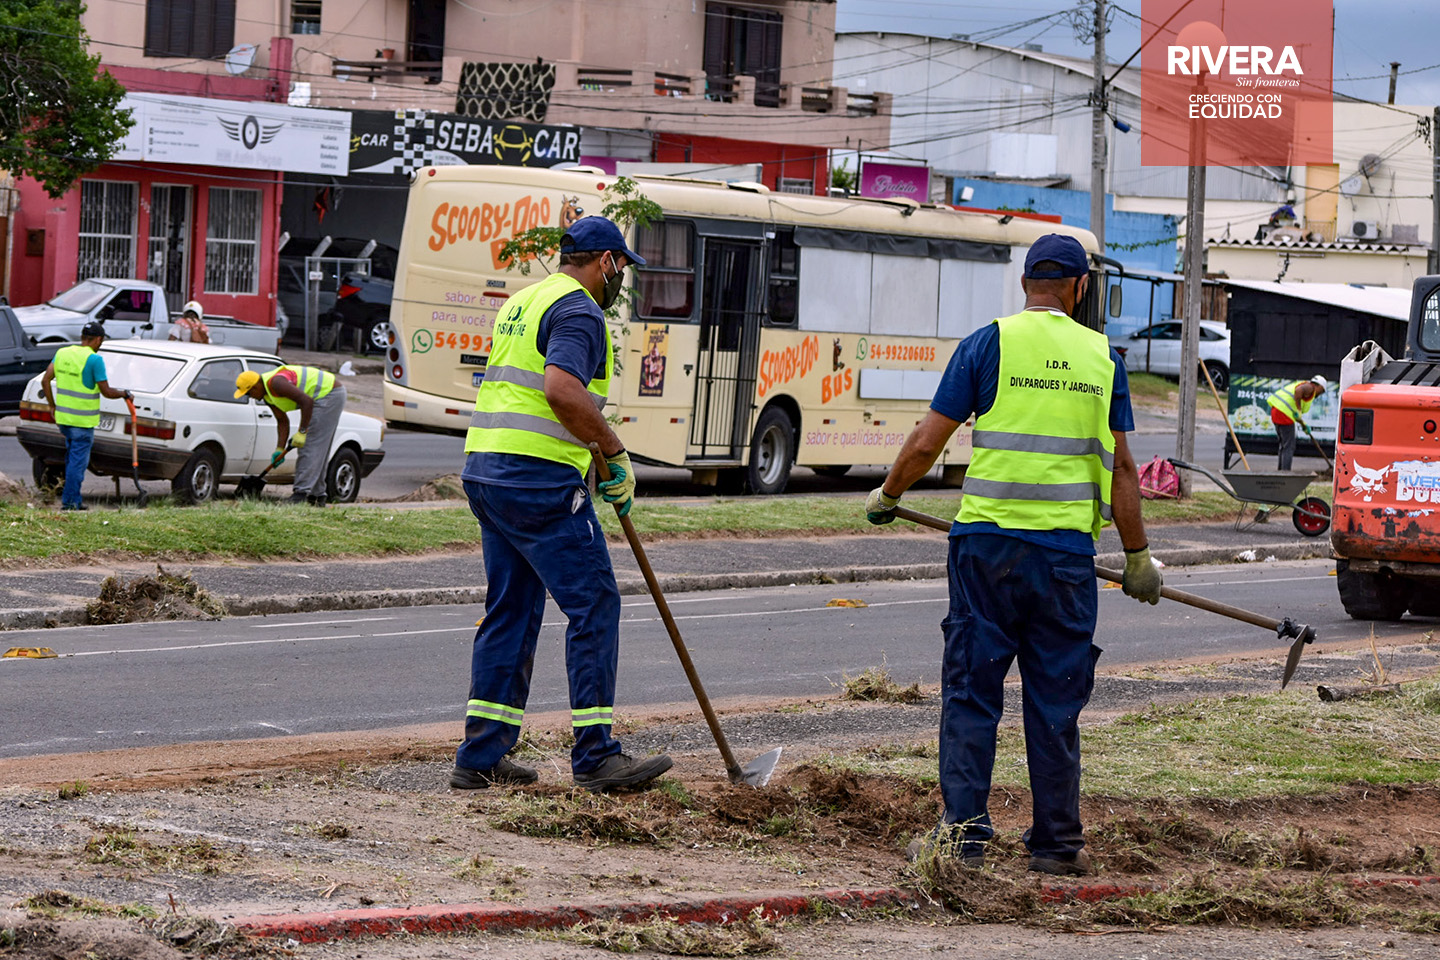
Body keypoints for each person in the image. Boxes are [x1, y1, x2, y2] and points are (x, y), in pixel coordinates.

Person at [864, 234, 1162, 877]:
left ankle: (963, 839)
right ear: (1081, 287)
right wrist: (1137, 554)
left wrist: (888, 494)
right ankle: (1056, 844)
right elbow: (1123, 471)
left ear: (1026, 283)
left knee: (972, 692)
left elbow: (927, 442)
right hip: (1064, 560)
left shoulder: (986, 344)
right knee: (1056, 701)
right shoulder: (1104, 359)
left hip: (986, 551)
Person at [451, 215, 673, 793]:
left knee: (512, 609)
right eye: (621, 266)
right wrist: (614, 451)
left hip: (488, 473)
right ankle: (596, 757)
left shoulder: (523, 302)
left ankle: (480, 755)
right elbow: (561, 390)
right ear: (606, 261)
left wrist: (589, 458)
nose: (621, 278)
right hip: (538, 483)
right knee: (594, 604)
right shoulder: (580, 311)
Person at [41, 321, 131, 511]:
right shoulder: (94, 360)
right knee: (77, 464)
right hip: (82, 423)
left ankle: (72, 499)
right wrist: (124, 394)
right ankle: (71, 503)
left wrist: (52, 405)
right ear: (98, 339)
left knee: (71, 460)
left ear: (82, 337)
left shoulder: (62, 353)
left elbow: (45, 380)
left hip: (64, 420)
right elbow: (107, 392)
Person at [233, 365, 346, 506]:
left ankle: (300, 494)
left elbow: (307, 401)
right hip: (324, 396)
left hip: (329, 393)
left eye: (249, 393)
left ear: (255, 387)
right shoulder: (267, 396)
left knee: (310, 446)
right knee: (318, 448)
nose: (250, 397)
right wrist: (279, 449)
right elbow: (282, 421)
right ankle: (317, 497)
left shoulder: (276, 383)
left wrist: (302, 432)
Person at [1267, 376, 1327, 471]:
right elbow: (1299, 390)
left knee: (1284, 445)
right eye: (1322, 391)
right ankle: (1285, 473)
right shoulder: (1310, 387)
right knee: (1289, 446)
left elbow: (1295, 414)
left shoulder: (1308, 392)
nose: (1320, 394)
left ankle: (1280, 471)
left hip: (1277, 411)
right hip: (1284, 414)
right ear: (1319, 386)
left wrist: (1303, 425)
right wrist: (1299, 409)